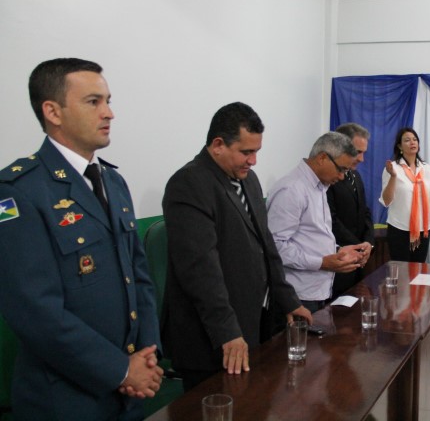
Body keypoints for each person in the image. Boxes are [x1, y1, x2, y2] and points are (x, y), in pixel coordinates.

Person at [0, 58, 163, 421]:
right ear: (53, 112)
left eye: (108, 100)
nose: (109, 113)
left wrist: (147, 355)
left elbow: (140, 278)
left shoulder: (113, 182)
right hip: (67, 399)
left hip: (130, 391)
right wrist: (120, 371)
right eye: (93, 102)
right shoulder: (18, 191)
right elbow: (35, 312)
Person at [161, 102, 312, 391]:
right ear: (218, 144)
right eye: (246, 152)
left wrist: (288, 299)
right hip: (211, 336)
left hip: (250, 322)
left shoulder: (248, 180)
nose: (253, 161)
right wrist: (227, 332)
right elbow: (199, 269)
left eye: (256, 151)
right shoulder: (189, 183)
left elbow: (267, 245)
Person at [267, 132, 366, 313]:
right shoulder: (292, 189)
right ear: (322, 158)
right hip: (296, 296)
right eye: (341, 169)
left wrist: (338, 251)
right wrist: (321, 262)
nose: (342, 177)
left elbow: (312, 236)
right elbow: (275, 247)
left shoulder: (320, 187)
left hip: (318, 291)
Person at [380, 127, 430, 262]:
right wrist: (393, 177)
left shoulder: (427, 168)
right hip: (399, 228)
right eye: (407, 140)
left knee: (418, 269)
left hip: (423, 229)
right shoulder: (392, 168)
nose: (412, 142)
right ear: (400, 146)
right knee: (402, 270)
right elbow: (386, 201)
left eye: (415, 139)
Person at [327, 123, 375, 298]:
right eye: (357, 152)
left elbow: (365, 212)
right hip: (338, 263)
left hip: (357, 262)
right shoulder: (329, 179)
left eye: (364, 153)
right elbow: (331, 220)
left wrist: (368, 242)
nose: (361, 159)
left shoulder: (355, 175)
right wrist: (358, 247)